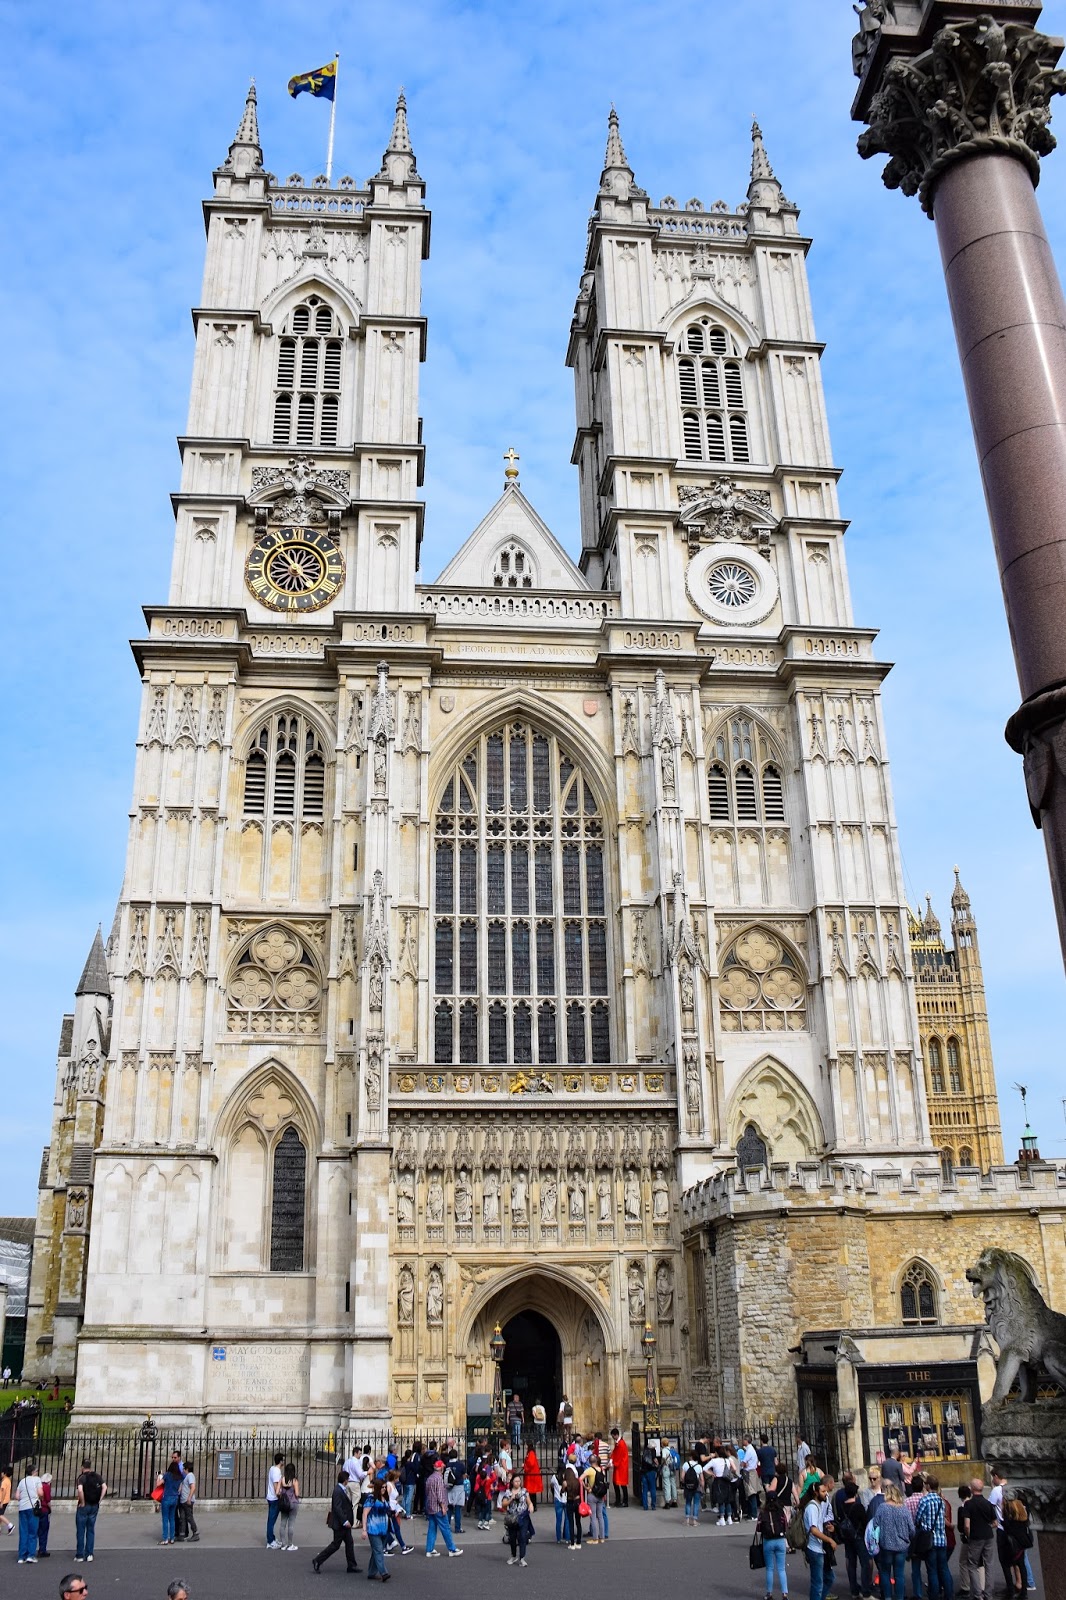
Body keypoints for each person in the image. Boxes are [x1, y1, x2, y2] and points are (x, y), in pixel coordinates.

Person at [869, 1482, 914, 1600]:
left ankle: (888, 1597)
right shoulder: (904, 1509)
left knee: (885, 1573)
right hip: (901, 1546)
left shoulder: (882, 1508)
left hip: (886, 1546)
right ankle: (900, 1597)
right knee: (899, 1574)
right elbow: (912, 1529)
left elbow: (875, 1524)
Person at [313, 1469, 360, 1573]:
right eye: (347, 1479)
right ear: (345, 1480)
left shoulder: (341, 1489)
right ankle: (317, 1560)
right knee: (335, 1545)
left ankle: (351, 1565)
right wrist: (344, 1521)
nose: (348, 1481)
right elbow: (337, 1508)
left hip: (343, 1524)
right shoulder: (338, 1491)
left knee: (349, 1543)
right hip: (340, 1524)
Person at [957, 1480, 997, 1600]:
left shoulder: (969, 1504)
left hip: (976, 1537)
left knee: (972, 1564)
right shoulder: (988, 1503)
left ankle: (978, 1594)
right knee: (988, 1565)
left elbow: (967, 1525)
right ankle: (988, 1594)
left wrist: (968, 1536)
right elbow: (995, 1522)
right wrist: (987, 1527)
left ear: (972, 1489)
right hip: (988, 1536)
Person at [915, 1474, 953, 1600]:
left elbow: (918, 1518)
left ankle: (934, 1595)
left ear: (928, 1486)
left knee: (932, 1571)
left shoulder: (924, 1500)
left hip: (929, 1540)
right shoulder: (941, 1501)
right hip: (942, 1539)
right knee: (944, 1569)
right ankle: (949, 1595)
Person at [834, 1475, 871, 1600]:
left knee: (851, 1563)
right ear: (855, 1493)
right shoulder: (858, 1506)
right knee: (865, 1563)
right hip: (859, 1536)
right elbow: (865, 1522)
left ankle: (854, 1590)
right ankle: (865, 1591)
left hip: (848, 1537)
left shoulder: (843, 1506)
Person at [804, 1479, 838, 1600]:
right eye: (823, 1491)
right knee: (817, 1584)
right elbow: (813, 1530)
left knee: (829, 1578)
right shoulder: (812, 1507)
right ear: (816, 1493)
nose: (826, 1493)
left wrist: (829, 1527)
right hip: (814, 1550)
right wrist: (830, 1540)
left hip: (820, 1549)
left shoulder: (818, 1505)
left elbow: (818, 1526)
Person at [423, 1457, 463, 1557]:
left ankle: (429, 1549)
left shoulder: (430, 1478)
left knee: (432, 1528)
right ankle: (452, 1549)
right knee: (446, 1528)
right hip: (438, 1507)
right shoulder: (439, 1479)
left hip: (431, 1506)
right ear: (441, 1468)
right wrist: (443, 1507)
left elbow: (427, 1493)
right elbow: (440, 1495)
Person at [759, 1483, 792, 1600]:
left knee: (769, 1568)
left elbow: (759, 1528)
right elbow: (785, 1525)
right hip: (780, 1540)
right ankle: (784, 1593)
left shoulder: (763, 1512)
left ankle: (769, 1593)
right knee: (782, 1568)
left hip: (768, 1541)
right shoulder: (780, 1511)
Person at [74, 1458, 107, 1563]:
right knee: (91, 1530)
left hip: (84, 1505)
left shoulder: (81, 1478)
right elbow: (105, 1487)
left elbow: (80, 1490)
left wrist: (82, 1502)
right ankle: (89, 1554)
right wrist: (99, 1500)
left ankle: (80, 1555)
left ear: (82, 1467)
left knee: (80, 1530)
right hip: (94, 1505)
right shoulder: (97, 1476)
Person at [1000, 1498, 1033, 1598]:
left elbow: (1004, 1524)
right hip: (1021, 1545)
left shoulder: (1009, 1521)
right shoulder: (1023, 1520)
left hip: (1010, 1546)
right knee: (1022, 1566)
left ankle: (1010, 1592)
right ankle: (1024, 1592)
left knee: (1006, 1566)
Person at [363, 1477, 393, 1583]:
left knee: (376, 1552)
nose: (384, 1489)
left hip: (384, 1529)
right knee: (379, 1550)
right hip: (373, 1529)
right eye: (382, 1487)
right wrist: (364, 1529)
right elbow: (365, 1513)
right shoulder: (371, 1498)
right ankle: (383, 1572)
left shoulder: (384, 1498)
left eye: (385, 1487)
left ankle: (371, 1573)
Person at [15, 1457, 43, 1564]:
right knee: (32, 1532)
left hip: (22, 1507)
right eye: (36, 1471)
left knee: (23, 1532)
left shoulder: (22, 1481)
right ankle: (30, 1555)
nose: (37, 1473)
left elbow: (17, 1496)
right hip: (33, 1507)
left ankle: (21, 1556)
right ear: (33, 1472)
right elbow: (40, 1493)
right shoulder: (37, 1480)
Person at [501, 1472, 532, 1567]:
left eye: (519, 1481)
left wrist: (531, 1506)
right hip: (512, 1518)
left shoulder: (524, 1491)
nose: (518, 1483)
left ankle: (522, 1558)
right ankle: (513, 1555)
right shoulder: (508, 1492)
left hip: (523, 1517)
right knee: (513, 1538)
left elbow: (529, 1502)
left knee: (522, 1537)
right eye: (516, 1481)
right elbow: (503, 1504)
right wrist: (511, 1499)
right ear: (512, 1482)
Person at [905, 1473, 927, 1600]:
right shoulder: (925, 1499)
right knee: (930, 1565)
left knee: (916, 1567)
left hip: (913, 1535)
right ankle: (933, 1589)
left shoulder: (907, 1501)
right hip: (925, 1534)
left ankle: (917, 1593)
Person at [584, 1453, 610, 1543]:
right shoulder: (601, 1470)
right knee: (600, 1516)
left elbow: (580, 1479)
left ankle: (595, 1538)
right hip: (600, 1495)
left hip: (592, 1494)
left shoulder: (589, 1470)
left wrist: (586, 1487)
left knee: (593, 1517)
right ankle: (602, 1537)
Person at [276, 1461, 299, 1552]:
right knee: (291, 1524)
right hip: (293, 1503)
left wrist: (282, 1495)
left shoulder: (282, 1479)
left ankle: (283, 1544)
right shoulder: (294, 1481)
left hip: (284, 1503)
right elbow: (297, 1493)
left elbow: (277, 1492)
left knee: (282, 1524)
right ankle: (290, 1544)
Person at [176, 1458, 199, 1544]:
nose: (182, 1470)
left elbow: (193, 1487)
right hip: (183, 1500)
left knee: (189, 1517)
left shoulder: (190, 1476)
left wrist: (189, 1498)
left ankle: (195, 1533)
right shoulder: (186, 1477)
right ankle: (182, 1535)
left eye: (184, 1468)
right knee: (182, 1518)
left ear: (187, 1469)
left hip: (187, 1500)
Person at [160, 1460, 183, 1546]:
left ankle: (165, 1538)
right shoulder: (180, 1477)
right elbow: (180, 1489)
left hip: (166, 1498)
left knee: (165, 1519)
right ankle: (172, 1538)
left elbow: (159, 1484)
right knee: (172, 1519)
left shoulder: (167, 1475)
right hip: (175, 1498)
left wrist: (159, 1477)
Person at [265, 1451, 284, 1548]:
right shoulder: (277, 1471)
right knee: (271, 1521)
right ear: (281, 1461)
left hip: (270, 1497)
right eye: (283, 1460)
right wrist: (280, 1495)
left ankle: (271, 1538)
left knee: (270, 1519)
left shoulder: (272, 1468)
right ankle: (270, 1541)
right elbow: (276, 1486)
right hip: (274, 1498)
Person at [564, 1454, 583, 1548]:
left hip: (570, 1500)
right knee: (578, 1522)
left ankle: (572, 1543)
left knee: (570, 1522)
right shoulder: (577, 1478)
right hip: (577, 1500)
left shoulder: (566, 1475)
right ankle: (579, 1542)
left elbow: (563, 1489)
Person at [681, 1450, 704, 1525]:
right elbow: (702, 1479)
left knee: (688, 1502)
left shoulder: (685, 1464)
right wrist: (702, 1487)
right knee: (696, 1503)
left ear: (691, 1456)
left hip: (688, 1486)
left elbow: (682, 1477)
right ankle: (694, 1520)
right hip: (696, 1486)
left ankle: (687, 1519)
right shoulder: (699, 1466)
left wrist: (685, 1483)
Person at [446, 1455, 467, 1534]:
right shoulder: (460, 1464)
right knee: (458, 1508)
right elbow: (464, 1475)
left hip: (449, 1487)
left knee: (449, 1508)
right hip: (459, 1486)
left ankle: (447, 1527)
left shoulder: (447, 1465)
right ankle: (457, 1528)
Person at [609, 1426, 629, 1508]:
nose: (613, 1438)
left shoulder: (621, 1444)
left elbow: (619, 1456)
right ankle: (618, 1500)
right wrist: (611, 1459)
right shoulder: (619, 1443)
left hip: (621, 1467)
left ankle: (625, 1501)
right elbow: (615, 1453)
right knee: (616, 1484)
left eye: (613, 1436)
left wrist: (613, 1462)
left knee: (622, 1485)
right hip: (619, 1467)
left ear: (616, 1435)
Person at [35, 1472, 52, 1557]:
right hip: (44, 1509)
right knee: (44, 1530)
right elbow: (48, 1500)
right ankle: (42, 1549)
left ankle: (31, 1548)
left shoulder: (38, 1485)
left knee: (35, 1530)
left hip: (36, 1509)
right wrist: (50, 1509)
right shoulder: (47, 1487)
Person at [640, 1438, 659, 1511]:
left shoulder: (645, 1450)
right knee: (652, 1489)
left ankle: (645, 1506)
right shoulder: (653, 1451)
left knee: (645, 1489)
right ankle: (653, 1505)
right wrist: (657, 1464)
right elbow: (654, 1460)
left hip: (644, 1471)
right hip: (651, 1471)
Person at [660, 1439, 680, 1510]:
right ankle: (674, 1501)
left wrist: (662, 1463)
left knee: (667, 1485)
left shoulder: (664, 1450)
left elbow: (663, 1458)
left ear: (662, 1443)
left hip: (666, 1468)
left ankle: (667, 1502)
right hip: (672, 1468)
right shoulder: (672, 1450)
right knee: (673, 1484)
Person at [550, 1466, 567, 1543]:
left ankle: (558, 1538)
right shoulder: (567, 1477)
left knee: (558, 1520)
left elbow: (552, 1485)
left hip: (558, 1499)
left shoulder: (554, 1477)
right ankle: (567, 1537)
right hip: (566, 1499)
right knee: (567, 1519)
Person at [0, 1461, 14, 1535]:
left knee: (0, 1515)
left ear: (4, 1473)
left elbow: (3, 1492)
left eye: (2, 1472)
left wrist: (1, 1502)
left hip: (2, 1500)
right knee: (0, 1514)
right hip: (6, 1500)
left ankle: (10, 1525)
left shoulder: (4, 1481)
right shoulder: (8, 1480)